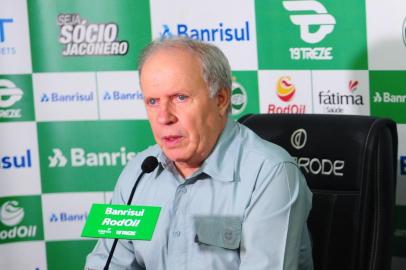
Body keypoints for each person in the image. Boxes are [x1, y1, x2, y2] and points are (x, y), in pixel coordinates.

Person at [85, 37, 313, 270]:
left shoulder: (270, 174)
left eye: (180, 98)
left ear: (221, 100)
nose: (164, 117)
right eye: (153, 101)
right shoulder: (139, 171)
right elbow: (108, 262)